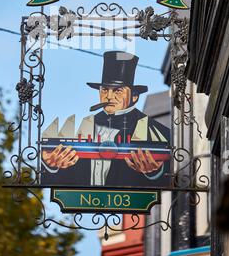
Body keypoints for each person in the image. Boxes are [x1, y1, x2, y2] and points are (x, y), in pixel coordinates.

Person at [41, 51, 171, 187]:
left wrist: (154, 172)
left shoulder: (153, 129)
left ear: (134, 96)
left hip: (125, 205)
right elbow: (69, 176)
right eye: (104, 90)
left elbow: (169, 175)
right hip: (86, 203)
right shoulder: (85, 125)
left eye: (118, 91)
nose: (108, 96)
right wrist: (51, 165)